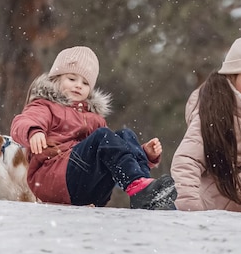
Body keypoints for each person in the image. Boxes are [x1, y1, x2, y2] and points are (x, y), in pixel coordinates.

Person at [10, 46, 177, 210]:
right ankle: (140, 189)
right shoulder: (46, 105)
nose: (78, 85)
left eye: (85, 83)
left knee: (125, 135)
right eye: (72, 79)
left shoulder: (94, 118)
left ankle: (148, 195)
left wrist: (144, 154)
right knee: (103, 136)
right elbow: (23, 121)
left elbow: (114, 155)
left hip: (89, 188)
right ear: (56, 79)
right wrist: (33, 131)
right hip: (53, 177)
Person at [171, 35, 241, 213]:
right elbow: (186, 160)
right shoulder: (213, 113)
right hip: (222, 196)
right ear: (232, 76)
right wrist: (191, 210)